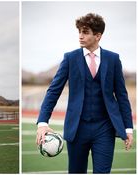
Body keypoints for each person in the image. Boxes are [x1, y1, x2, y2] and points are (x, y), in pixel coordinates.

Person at [36, 13, 133, 173]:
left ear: (98, 35)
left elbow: (122, 95)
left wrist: (128, 128)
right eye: (79, 32)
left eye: (85, 32)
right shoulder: (70, 58)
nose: (80, 36)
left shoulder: (113, 59)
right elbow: (53, 91)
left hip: (105, 128)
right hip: (77, 128)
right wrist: (42, 123)